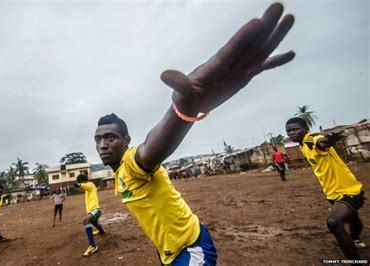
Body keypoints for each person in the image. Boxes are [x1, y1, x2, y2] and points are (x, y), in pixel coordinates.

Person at [93, 2, 295, 264]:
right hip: (169, 252)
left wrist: (182, 111)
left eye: (111, 137)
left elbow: (150, 151)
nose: (103, 144)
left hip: (190, 249)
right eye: (98, 139)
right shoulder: (120, 173)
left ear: (126, 141)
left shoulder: (133, 162)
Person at [285, 117, 366, 260]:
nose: (292, 133)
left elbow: (320, 142)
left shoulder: (311, 139)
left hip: (348, 190)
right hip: (332, 192)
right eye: (289, 131)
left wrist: (328, 141)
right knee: (352, 219)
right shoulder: (302, 145)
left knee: (334, 222)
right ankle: (356, 239)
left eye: (296, 129)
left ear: (306, 129)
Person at [75, 174, 105, 257]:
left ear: (81, 181)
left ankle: (93, 246)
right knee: (93, 221)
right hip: (94, 210)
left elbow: (85, 186)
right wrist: (79, 186)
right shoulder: (90, 187)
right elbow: (85, 188)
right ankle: (101, 231)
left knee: (86, 221)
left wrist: (78, 185)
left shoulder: (90, 185)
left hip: (96, 210)